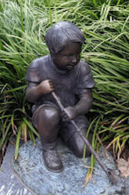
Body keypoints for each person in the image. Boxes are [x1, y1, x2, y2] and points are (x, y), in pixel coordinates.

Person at [26, 22, 95, 173]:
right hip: (46, 115)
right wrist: (39, 89)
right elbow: (30, 97)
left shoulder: (81, 69)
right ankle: (49, 148)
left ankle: (65, 133)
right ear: (53, 52)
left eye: (78, 54)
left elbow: (86, 99)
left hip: (71, 116)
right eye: (68, 55)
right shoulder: (38, 66)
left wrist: (76, 111)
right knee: (50, 114)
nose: (74, 59)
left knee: (84, 150)